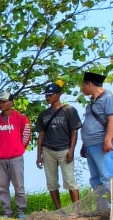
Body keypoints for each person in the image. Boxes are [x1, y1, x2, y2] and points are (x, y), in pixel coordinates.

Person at [35, 82, 82, 212]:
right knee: (51, 182)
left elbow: (74, 131)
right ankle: (59, 211)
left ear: (58, 95)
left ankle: (75, 210)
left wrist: (71, 149)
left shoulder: (69, 110)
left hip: (65, 149)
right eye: (46, 95)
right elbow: (41, 136)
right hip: (48, 150)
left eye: (50, 95)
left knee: (70, 180)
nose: (47, 97)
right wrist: (39, 155)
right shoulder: (43, 114)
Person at [79, 71, 113, 212]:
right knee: (96, 179)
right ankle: (103, 209)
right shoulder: (92, 102)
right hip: (90, 145)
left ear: (89, 84)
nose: (81, 88)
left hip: (102, 144)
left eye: (83, 85)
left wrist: (108, 140)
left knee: (108, 176)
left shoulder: (109, 98)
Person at [0, 90, 32, 219]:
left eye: (4, 101)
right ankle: (6, 212)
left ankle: (21, 211)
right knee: (1, 187)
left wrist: (19, 148)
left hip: (15, 157)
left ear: (11, 102)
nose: (1, 104)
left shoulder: (21, 118)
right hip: (0, 159)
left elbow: (26, 135)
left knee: (19, 185)